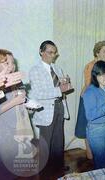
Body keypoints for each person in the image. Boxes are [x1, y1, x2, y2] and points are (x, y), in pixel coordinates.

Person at [29, 40, 70, 171]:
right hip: (45, 110)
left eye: (54, 53)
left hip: (59, 106)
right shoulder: (35, 70)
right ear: (41, 52)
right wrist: (60, 90)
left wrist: (65, 83)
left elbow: (61, 88)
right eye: (50, 52)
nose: (53, 55)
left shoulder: (57, 69)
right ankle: (44, 169)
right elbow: (37, 93)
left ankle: (58, 166)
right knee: (46, 141)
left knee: (58, 139)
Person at [75, 40, 105, 159]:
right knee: (88, 125)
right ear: (97, 53)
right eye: (104, 51)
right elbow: (91, 85)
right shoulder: (90, 66)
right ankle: (90, 153)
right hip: (89, 99)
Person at [0, 49, 28, 178]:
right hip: (2, 135)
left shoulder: (15, 82)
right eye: (6, 63)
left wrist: (26, 104)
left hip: (15, 131)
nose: (11, 66)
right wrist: (15, 102)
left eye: (12, 63)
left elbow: (21, 104)